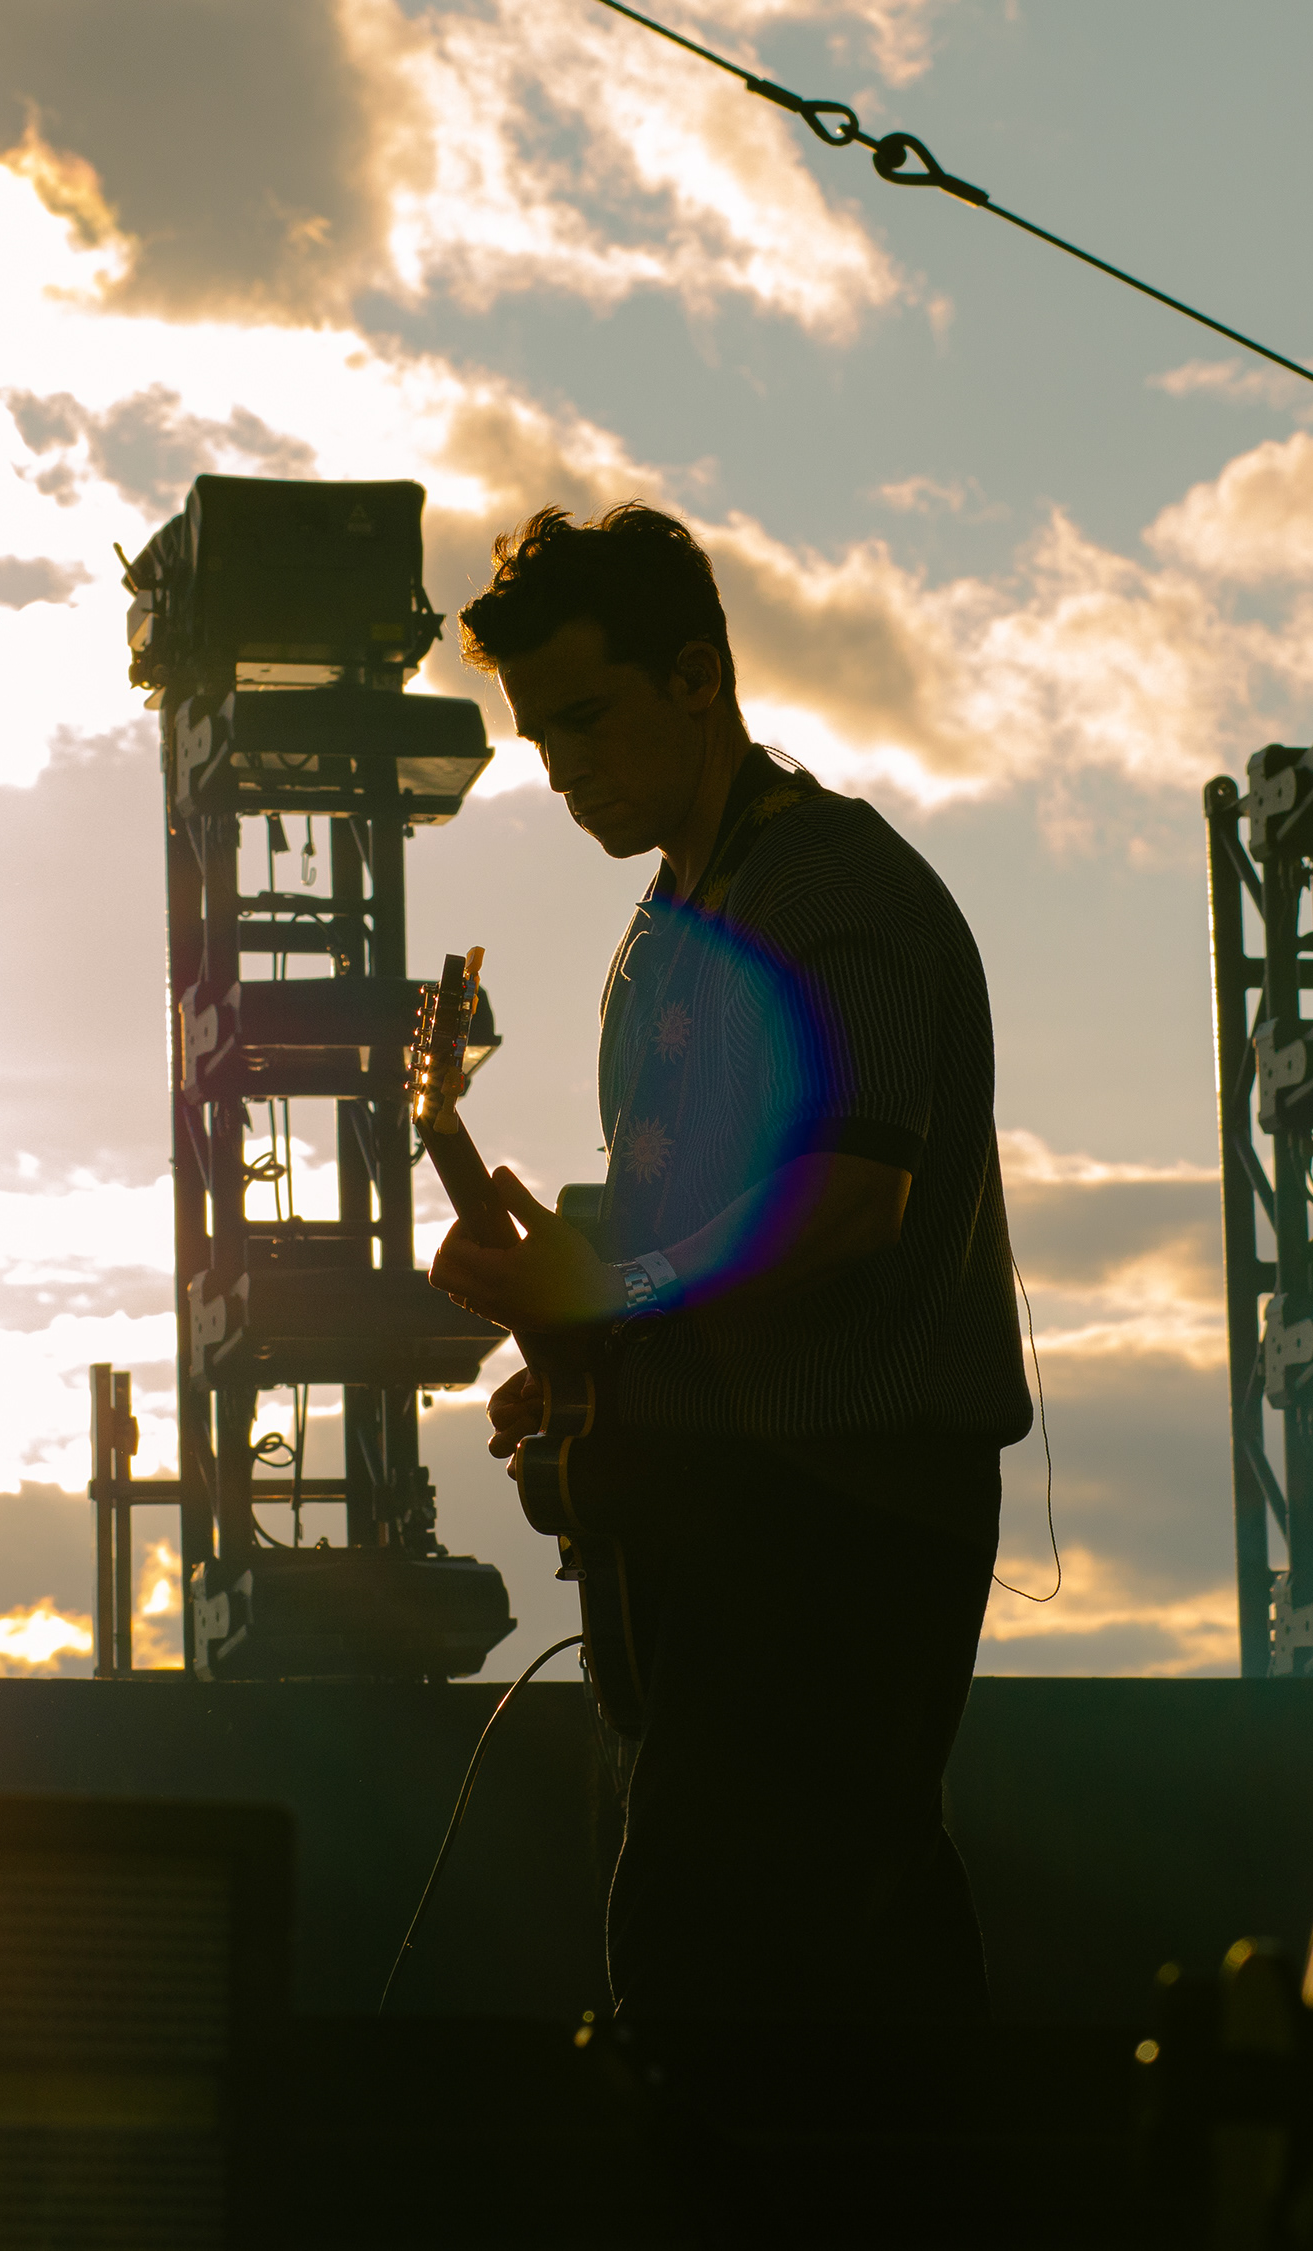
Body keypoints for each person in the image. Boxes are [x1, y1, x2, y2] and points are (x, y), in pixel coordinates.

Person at [427, 501, 1029, 2024]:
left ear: (696, 677)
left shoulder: (830, 885)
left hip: (848, 1501)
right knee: (828, 1937)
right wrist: (566, 1363)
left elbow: (842, 1209)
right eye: (537, 738)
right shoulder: (661, 934)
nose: (560, 770)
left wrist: (603, 1302)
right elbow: (685, 1243)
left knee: (725, 1950)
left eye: (584, 718)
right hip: (746, 1510)